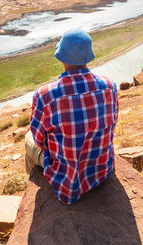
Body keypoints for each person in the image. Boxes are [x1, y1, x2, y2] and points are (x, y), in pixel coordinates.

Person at [24, 28, 119, 204]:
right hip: (102, 171)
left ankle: (35, 187)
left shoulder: (45, 96)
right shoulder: (109, 86)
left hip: (68, 185)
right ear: (89, 55)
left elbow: (39, 141)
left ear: (61, 56)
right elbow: (112, 125)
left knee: (27, 139)